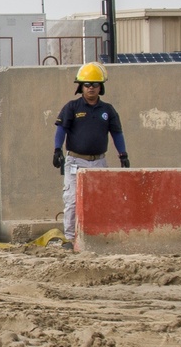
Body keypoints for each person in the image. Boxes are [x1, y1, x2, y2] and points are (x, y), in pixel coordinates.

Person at [52, 62, 129, 249]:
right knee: (71, 200)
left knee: (100, 200)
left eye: (95, 84)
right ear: (81, 87)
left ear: (101, 87)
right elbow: (62, 129)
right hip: (75, 161)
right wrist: (57, 150)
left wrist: (123, 155)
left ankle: (97, 236)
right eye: (87, 85)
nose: (91, 88)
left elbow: (117, 134)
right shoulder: (72, 107)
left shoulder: (107, 110)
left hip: (99, 161)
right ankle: (70, 239)